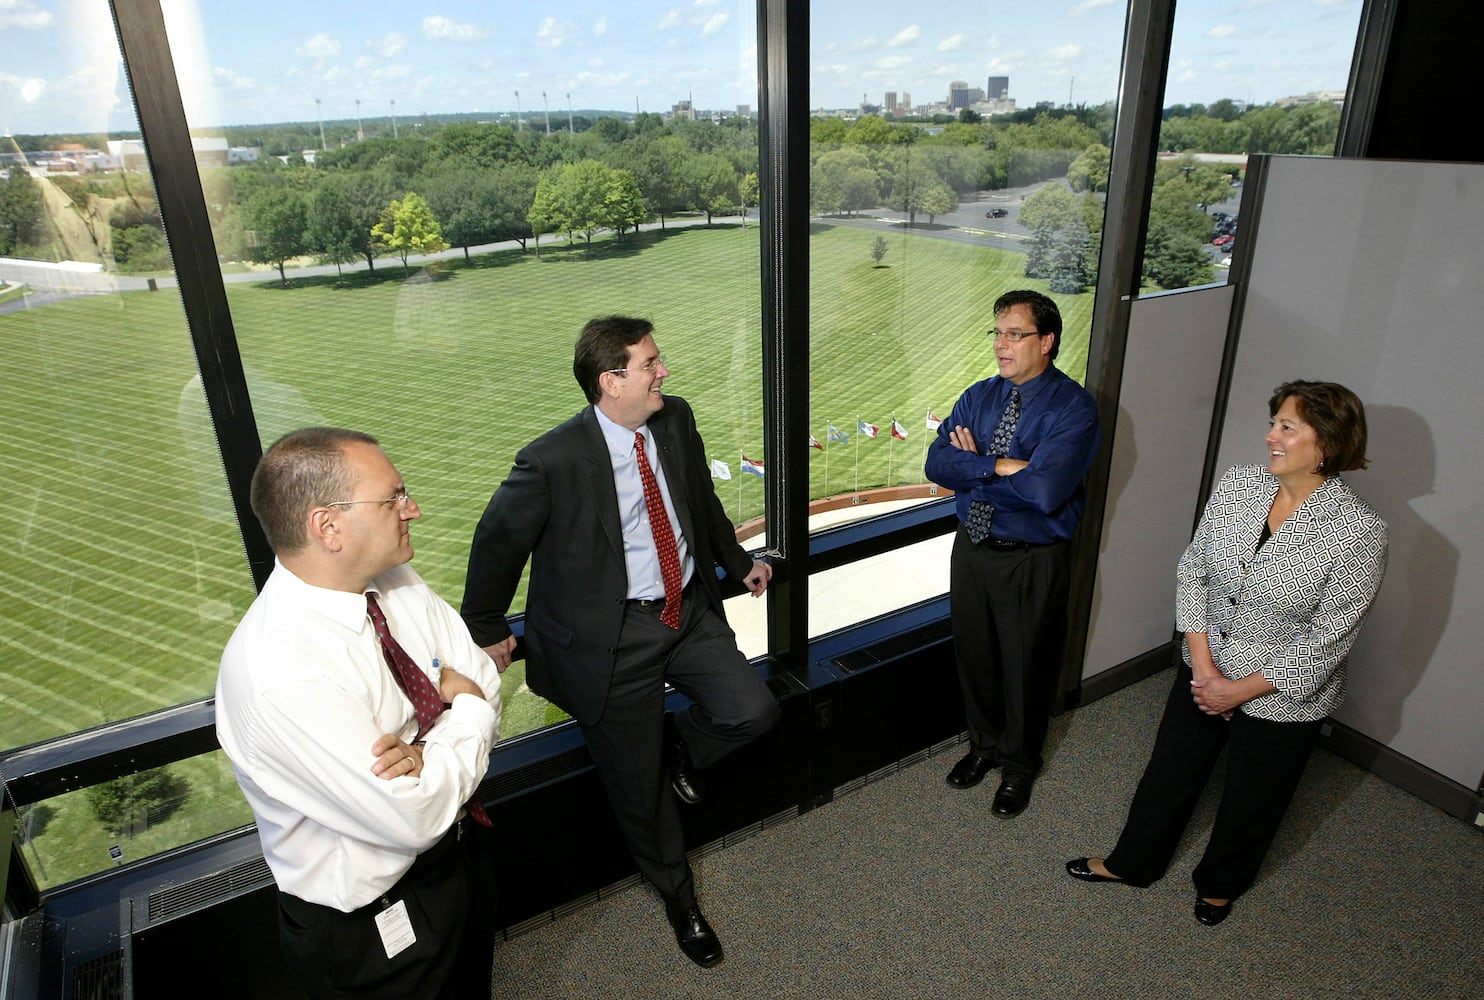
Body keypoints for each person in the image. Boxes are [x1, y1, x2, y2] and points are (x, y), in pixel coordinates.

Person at [461, 315, 779, 968]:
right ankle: (679, 900)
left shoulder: (676, 419)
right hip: (612, 642)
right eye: (650, 363)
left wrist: (735, 558)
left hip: (686, 613)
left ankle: (680, 747)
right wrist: (488, 628)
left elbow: (700, 501)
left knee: (754, 710)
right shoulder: (551, 460)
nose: (664, 372)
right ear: (612, 381)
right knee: (640, 795)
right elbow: (497, 541)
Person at [1066, 380, 1388, 926]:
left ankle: (1221, 884)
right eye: (1273, 423)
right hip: (1205, 666)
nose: (1270, 436)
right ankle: (1133, 863)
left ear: (1327, 443)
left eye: (1287, 427)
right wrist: (1206, 666)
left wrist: (1241, 689)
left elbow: (1329, 638)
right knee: (1169, 772)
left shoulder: (1360, 532)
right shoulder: (1239, 485)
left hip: (1282, 696)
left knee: (1253, 797)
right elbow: (1194, 569)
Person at [217, 428, 503, 1000]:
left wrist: (428, 750)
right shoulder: (280, 675)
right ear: (328, 526)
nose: (413, 509)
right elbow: (415, 815)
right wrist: (464, 708)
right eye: (394, 497)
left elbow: (486, 675)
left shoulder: (394, 581)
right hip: (370, 929)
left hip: (458, 858)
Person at [925, 289, 1100, 817]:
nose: (1001, 345)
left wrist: (975, 468)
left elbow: (1047, 493)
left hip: (1032, 558)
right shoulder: (979, 396)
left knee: (1025, 666)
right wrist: (1002, 467)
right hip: (974, 547)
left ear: (1046, 341)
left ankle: (1020, 766)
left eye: (1014, 334)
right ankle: (984, 747)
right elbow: (937, 464)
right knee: (975, 657)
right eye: (996, 333)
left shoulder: (1074, 407)